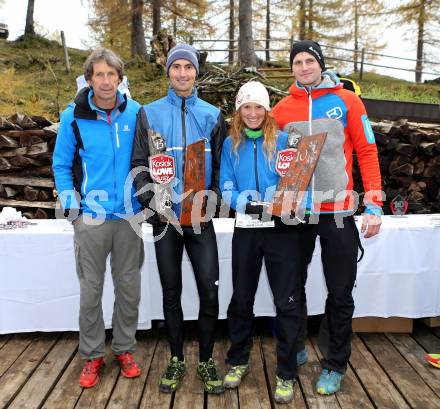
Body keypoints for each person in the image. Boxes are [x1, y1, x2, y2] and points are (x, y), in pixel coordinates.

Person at [272, 40, 383, 395]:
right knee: (293, 286)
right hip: (298, 213)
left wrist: (375, 202)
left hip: (338, 211)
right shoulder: (282, 109)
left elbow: (366, 150)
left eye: (309, 61)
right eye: (298, 62)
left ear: (320, 64)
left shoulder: (347, 101)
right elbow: (276, 162)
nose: (304, 67)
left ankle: (335, 363)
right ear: (292, 68)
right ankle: (299, 344)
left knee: (339, 291)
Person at [131, 44, 227, 394]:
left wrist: (212, 202)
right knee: (171, 291)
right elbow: (140, 165)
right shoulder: (149, 113)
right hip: (165, 220)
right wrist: (154, 204)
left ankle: (204, 360)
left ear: (196, 71)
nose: (183, 73)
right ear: (168, 72)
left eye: (188, 67)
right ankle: (175, 359)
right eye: (177, 67)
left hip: (199, 220)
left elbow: (220, 168)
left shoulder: (213, 115)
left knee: (209, 292)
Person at [53, 48, 144, 388]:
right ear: (89, 79)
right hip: (90, 218)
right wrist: (72, 207)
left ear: (120, 78)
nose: (106, 81)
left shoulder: (136, 112)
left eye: (111, 74)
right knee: (91, 291)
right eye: (99, 75)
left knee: (129, 289)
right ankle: (91, 356)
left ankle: (124, 348)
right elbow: (61, 166)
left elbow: (150, 158)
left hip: (129, 217)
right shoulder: (73, 116)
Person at [220, 81, 302, 404]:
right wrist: (247, 203)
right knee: (241, 298)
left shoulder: (285, 141)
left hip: (281, 229)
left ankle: (286, 372)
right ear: (239, 111)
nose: (252, 113)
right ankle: (238, 359)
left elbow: (300, 180)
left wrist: (293, 201)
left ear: (268, 110)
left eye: (258, 107)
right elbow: (225, 184)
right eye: (246, 107)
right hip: (248, 226)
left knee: (286, 302)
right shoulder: (231, 144)